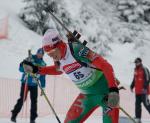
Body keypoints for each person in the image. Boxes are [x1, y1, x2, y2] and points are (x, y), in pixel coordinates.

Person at [23, 29, 120, 123]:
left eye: (52, 52)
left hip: (105, 92)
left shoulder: (77, 49)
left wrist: (113, 89)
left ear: (60, 45)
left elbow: (105, 65)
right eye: (49, 54)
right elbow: (58, 70)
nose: (52, 56)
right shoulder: (58, 58)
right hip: (87, 95)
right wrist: (37, 70)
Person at [11, 48, 46, 123]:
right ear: (36, 53)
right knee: (22, 99)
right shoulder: (30, 58)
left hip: (34, 84)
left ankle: (32, 119)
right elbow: (20, 68)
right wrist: (26, 69)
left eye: (41, 54)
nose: (39, 55)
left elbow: (43, 76)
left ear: (43, 55)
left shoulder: (43, 64)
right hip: (26, 83)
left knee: (34, 101)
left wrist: (43, 87)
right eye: (38, 53)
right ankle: (14, 115)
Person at [130, 57, 150, 123]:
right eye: (135, 62)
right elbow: (134, 79)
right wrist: (132, 86)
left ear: (140, 62)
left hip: (144, 91)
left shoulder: (144, 69)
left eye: (137, 62)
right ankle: (138, 118)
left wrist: (144, 88)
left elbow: (147, 79)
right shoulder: (135, 70)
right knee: (137, 105)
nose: (136, 63)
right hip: (137, 91)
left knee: (146, 104)